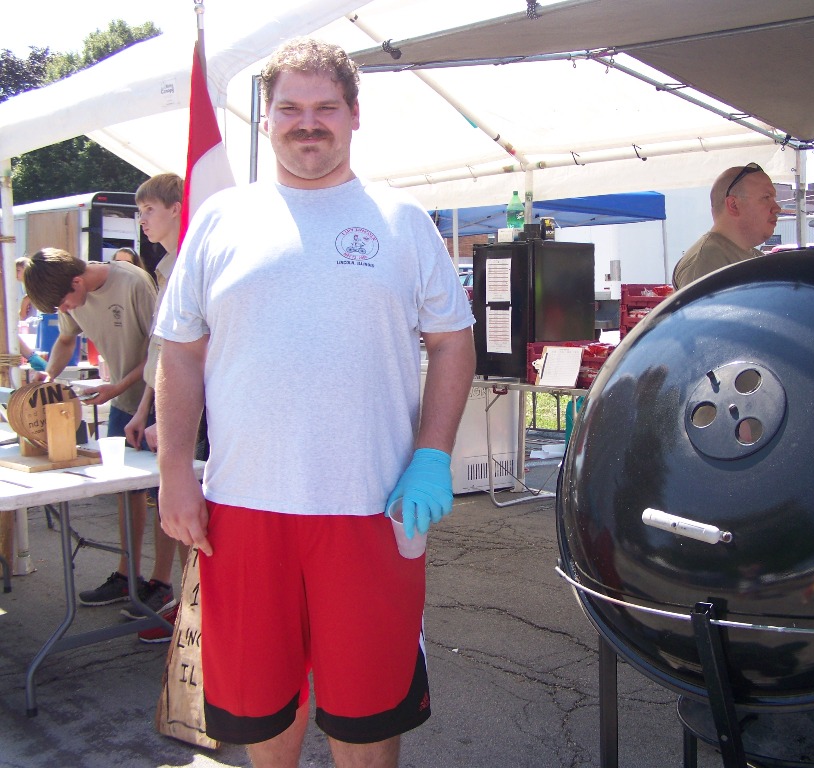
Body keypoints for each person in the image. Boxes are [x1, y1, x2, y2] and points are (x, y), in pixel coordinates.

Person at [154, 37, 476, 768]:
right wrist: (174, 471)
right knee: (262, 708)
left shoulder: (403, 220)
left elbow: (453, 342)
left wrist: (432, 454)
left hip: (371, 510)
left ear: (354, 115)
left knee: (367, 715)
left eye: (325, 107)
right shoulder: (219, 221)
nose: (308, 123)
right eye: (290, 108)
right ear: (266, 119)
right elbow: (181, 351)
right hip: (241, 511)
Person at [22, 248, 162, 611]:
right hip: (122, 402)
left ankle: (162, 584)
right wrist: (48, 375)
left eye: (65, 303)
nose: (66, 310)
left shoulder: (132, 283)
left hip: (158, 400)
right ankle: (127, 576)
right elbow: (66, 339)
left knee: (165, 494)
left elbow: (160, 350)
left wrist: (117, 388)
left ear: (77, 281)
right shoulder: (67, 294)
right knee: (126, 493)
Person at [120, 173, 190, 642]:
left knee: (190, 508)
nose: (142, 220)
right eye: (140, 211)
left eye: (149, 210)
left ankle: (196, 609)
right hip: (165, 400)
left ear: (176, 209)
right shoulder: (165, 266)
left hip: (191, 408)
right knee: (177, 506)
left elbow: (185, 353)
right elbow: (159, 352)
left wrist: (165, 415)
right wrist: (145, 409)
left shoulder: (188, 262)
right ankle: (186, 599)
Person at [672, 162, 782, 289]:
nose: (777, 208)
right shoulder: (706, 263)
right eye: (766, 197)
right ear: (733, 205)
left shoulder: (756, 257)